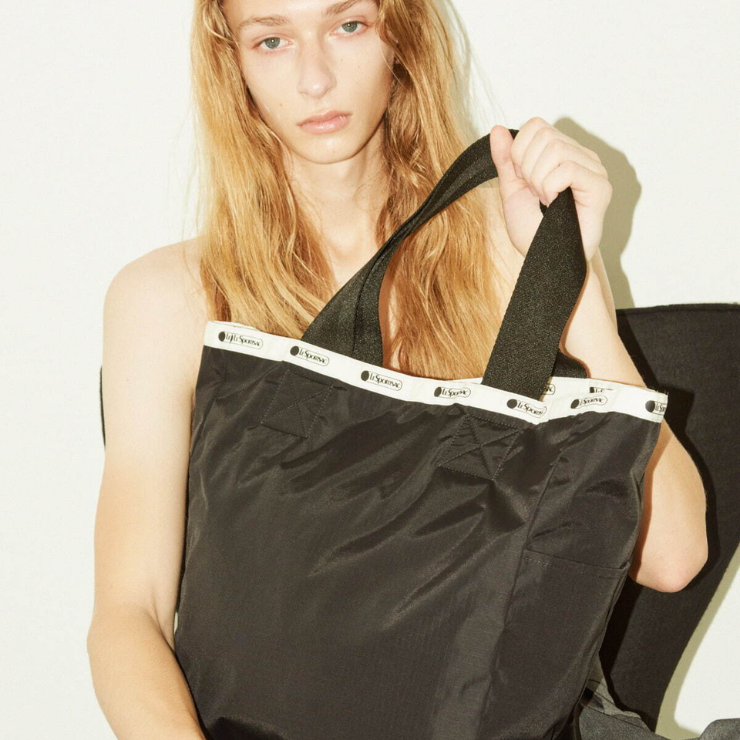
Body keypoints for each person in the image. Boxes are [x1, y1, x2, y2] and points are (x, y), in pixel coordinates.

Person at [86, 1, 731, 739]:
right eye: (272, 40)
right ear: (230, 61)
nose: (315, 78)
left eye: (348, 26)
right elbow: (128, 614)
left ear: (402, 35)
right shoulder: (169, 298)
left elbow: (672, 557)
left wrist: (568, 282)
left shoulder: (508, 247)